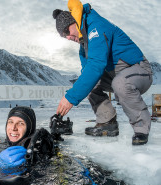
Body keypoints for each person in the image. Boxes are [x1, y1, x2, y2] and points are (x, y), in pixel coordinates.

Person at [52, 0, 153, 145]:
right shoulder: (83, 44)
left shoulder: (96, 27)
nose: (67, 37)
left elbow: (96, 66)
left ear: (74, 21)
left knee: (120, 83)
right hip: (117, 76)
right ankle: (107, 123)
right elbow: (87, 73)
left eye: (67, 31)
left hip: (140, 71)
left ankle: (141, 129)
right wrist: (75, 91)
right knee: (89, 83)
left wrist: (70, 98)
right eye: (63, 36)